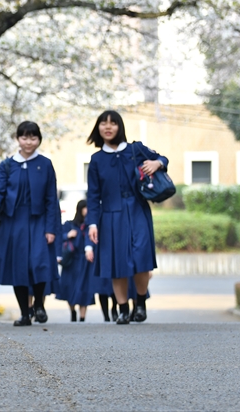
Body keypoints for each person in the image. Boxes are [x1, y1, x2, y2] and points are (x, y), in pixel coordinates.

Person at [85, 110, 168, 324]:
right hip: (110, 216)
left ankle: (140, 303)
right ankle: (122, 309)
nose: (108, 127)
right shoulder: (96, 160)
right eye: (103, 123)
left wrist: (157, 164)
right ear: (98, 128)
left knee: (142, 260)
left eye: (113, 123)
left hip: (138, 211)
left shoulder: (135, 149)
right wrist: (92, 223)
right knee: (116, 264)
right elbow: (93, 196)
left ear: (120, 127)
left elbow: (162, 157)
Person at [0, 121, 61, 326]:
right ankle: (25, 314)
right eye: (24, 137)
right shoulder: (7, 165)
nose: (28, 142)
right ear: (18, 139)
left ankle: (40, 305)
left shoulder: (45, 164)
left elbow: (52, 198)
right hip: (13, 223)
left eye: (33, 137)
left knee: (39, 263)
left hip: (39, 221)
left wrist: (51, 228)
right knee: (19, 267)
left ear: (39, 140)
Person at [57, 200, 94, 322]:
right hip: (71, 262)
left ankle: (82, 317)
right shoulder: (69, 225)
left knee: (84, 289)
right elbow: (59, 237)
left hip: (84, 262)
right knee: (69, 288)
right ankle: (73, 312)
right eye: (85, 208)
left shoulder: (91, 226)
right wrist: (68, 235)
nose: (87, 211)